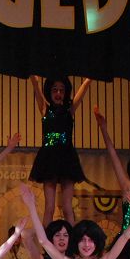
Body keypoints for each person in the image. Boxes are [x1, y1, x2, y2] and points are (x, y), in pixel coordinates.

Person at [29, 75, 92, 225]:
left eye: (62, 90)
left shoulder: (70, 110)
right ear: (49, 92)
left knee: (67, 207)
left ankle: (71, 238)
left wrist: (89, 79)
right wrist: (34, 80)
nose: (58, 93)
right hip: (49, 158)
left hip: (66, 158)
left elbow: (83, 89)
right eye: (55, 90)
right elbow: (36, 88)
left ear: (65, 93)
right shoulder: (45, 109)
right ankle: (46, 239)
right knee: (49, 207)